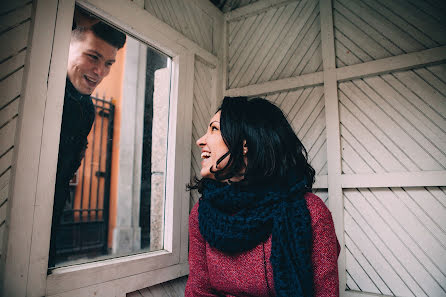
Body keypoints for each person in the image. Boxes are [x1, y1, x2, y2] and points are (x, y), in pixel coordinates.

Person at [185, 97, 340, 297]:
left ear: (244, 144)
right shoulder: (202, 212)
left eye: (214, 129)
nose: (200, 140)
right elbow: (197, 291)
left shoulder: (310, 213)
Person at [48, 20, 126, 268]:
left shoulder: (87, 110)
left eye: (109, 64)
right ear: (65, 46)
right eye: (93, 57)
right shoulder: (38, 86)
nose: (100, 72)